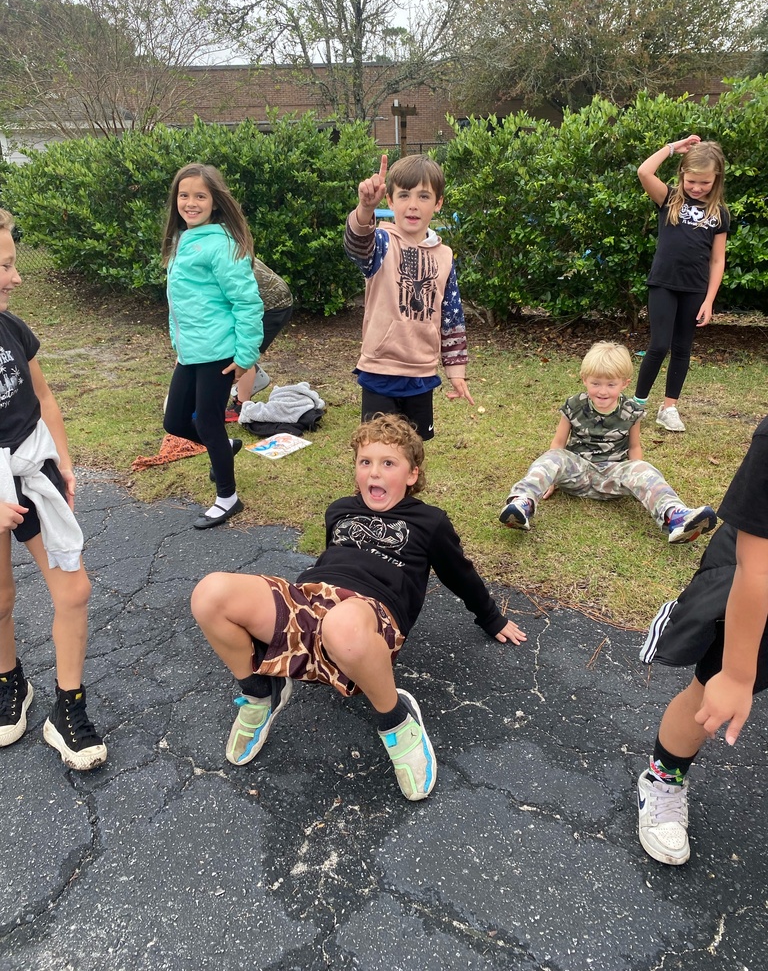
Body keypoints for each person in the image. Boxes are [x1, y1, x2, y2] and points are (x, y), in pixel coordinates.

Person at [191, 413, 526, 801]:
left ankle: (397, 720)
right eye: (365, 462)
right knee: (210, 593)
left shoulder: (429, 521)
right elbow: (332, 558)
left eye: (388, 463)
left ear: (412, 475)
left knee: (344, 627)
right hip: (312, 598)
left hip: (370, 612)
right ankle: (260, 691)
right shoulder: (339, 510)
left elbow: (460, 574)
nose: (375, 473)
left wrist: (491, 617)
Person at [0, 209, 106, 770]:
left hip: (30, 474)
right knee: (0, 600)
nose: (16, 277)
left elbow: (42, 398)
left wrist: (63, 460)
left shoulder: (13, 328)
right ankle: (9, 681)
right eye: (5, 265)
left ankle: (67, 708)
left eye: (13, 262)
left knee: (74, 590)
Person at [636, 415, 768, 865]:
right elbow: (757, 568)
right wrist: (735, 672)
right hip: (756, 586)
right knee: (707, 696)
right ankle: (663, 781)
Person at [498, 341, 717, 543]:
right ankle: (521, 503)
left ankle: (675, 516)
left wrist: (636, 477)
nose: (603, 391)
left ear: (624, 383)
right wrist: (552, 479)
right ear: (584, 380)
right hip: (577, 474)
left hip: (613, 477)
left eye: (611, 384)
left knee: (645, 470)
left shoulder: (632, 411)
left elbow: (634, 448)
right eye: (595, 383)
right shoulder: (573, 405)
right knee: (551, 458)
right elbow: (558, 444)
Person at [161, 164, 264, 529]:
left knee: (207, 421)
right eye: (184, 195)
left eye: (200, 196)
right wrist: (179, 344)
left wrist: (245, 356)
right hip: (190, 352)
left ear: (215, 202)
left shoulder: (220, 244)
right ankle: (224, 448)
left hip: (218, 353)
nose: (190, 202)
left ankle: (227, 498)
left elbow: (248, 303)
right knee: (174, 421)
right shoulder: (184, 240)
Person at [344, 154, 474, 441]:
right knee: (377, 448)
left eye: (424, 196)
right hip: (380, 370)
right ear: (390, 201)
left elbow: (451, 316)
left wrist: (456, 372)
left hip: (421, 374)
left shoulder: (445, 257)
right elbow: (356, 244)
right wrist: (365, 209)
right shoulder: (380, 242)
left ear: (438, 203)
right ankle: (368, 488)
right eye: (404, 195)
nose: (413, 204)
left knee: (412, 450)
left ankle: (406, 488)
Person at [634, 135, 730, 433]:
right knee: (659, 345)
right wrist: (673, 148)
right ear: (682, 175)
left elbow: (717, 260)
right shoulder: (670, 198)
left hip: (695, 289)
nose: (697, 187)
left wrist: (710, 299)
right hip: (664, 283)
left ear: (717, 180)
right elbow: (643, 172)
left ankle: (669, 407)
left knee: (682, 348)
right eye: (692, 181)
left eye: (705, 182)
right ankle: (636, 406)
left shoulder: (720, 214)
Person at [225, 257, 293, 422]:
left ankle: (242, 406)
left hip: (273, 305)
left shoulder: (219, 257)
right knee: (239, 347)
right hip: (263, 301)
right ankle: (257, 377)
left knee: (242, 349)